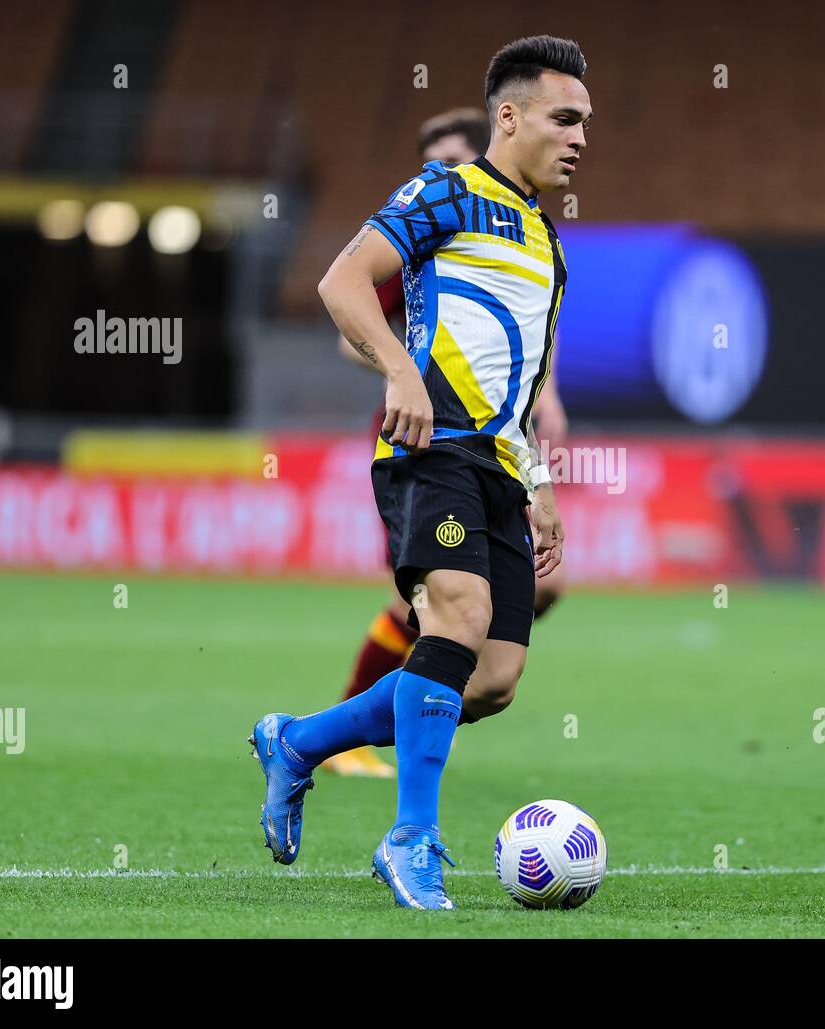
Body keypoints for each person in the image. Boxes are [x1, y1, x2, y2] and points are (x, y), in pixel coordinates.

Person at [250, 35, 591, 910]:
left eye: (586, 121)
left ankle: (299, 741)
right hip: (429, 450)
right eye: (564, 117)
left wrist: (541, 481)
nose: (580, 136)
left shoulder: (549, 246)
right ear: (507, 116)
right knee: (459, 615)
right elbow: (341, 282)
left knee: (491, 678)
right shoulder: (445, 191)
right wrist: (401, 370)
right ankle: (412, 839)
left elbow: (522, 385)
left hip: (502, 467)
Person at [326, 106, 568, 778]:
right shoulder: (425, 227)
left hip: (502, 446)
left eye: (449, 158)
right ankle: (363, 731)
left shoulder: (513, 228)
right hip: (426, 436)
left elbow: (523, 341)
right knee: (438, 607)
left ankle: (386, 716)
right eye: (428, 160)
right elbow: (347, 316)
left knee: (525, 604)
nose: (437, 171)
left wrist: (546, 403)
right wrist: (405, 364)